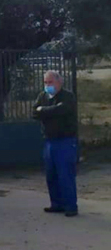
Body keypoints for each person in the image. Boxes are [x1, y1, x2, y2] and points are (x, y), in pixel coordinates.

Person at [33, 71, 79, 217]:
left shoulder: (68, 96)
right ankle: (56, 204)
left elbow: (62, 110)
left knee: (65, 174)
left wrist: (44, 111)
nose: (47, 86)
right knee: (51, 174)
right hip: (49, 140)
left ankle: (71, 206)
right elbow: (34, 112)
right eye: (45, 83)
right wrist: (46, 111)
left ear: (59, 82)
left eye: (50, 82)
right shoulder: (43, 96)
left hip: (65, 141)